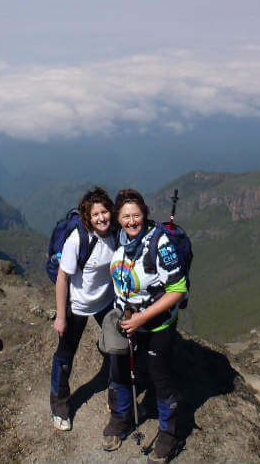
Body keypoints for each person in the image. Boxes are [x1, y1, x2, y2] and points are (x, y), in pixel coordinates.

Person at [102, 189, 187, 463]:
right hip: (126, 319)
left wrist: (142, 318)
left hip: (156, 324)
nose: (131, 221)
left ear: (145, 214)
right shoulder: (119, 239)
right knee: (119, 369)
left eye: (136, 215)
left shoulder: (159, 243)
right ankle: (121, 418)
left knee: (159, 376)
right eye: (125, 216)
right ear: (118, 218)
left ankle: (169, 434)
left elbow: (177, 289)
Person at [50, 187, 118, 431]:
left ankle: (115, 396)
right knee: (65, 357)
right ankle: (60, 408)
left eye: (104, 212)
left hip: (105, 302)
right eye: (95, 214)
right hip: (77, 305)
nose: (101, 218)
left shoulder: (116, 234)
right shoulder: (78, 239)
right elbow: (62, 278)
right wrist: (61, 316)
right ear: (87, 218)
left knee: (117, 350)